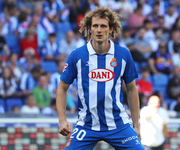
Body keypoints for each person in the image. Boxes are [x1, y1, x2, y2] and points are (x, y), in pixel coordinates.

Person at [56, 7, 144, 150]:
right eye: (95, 26)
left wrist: (136, 125)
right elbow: (62, 88)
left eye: (103, 26)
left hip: (119, 124)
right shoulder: (77, 55)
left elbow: (132, 90)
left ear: (111, 29)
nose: (98, 30)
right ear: (89, 29)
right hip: (87, 125)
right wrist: (62, 119)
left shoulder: (123, 55)